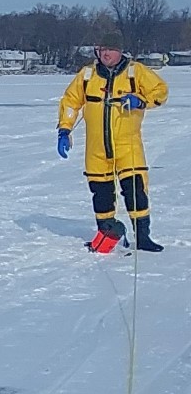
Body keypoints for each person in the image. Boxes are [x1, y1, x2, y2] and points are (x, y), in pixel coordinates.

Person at [58, 34, 170, 251]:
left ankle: (143, 237)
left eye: (109, 50)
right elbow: (71, 101)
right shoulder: (88, 75)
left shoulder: (135, 72)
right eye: (101, 50)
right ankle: (107, 234)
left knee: (135, 191)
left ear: (120, 51)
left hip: (128, 146)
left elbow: (160, 91)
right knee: (100, 192)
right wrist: (64, 129)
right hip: (97, 148)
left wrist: (141, 101)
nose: (105, 54)